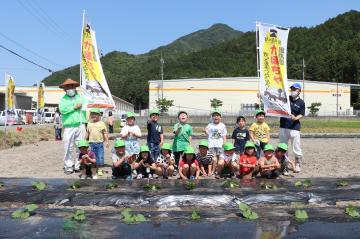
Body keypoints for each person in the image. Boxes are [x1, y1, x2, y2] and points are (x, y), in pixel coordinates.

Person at [59, 78, 87, 175]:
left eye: (72, 86)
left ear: (75, 87)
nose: (70, 88)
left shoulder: (81, 97)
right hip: (69, 126)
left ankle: (78, 164)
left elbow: (86, 106)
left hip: (80, 124)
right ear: (65, 89)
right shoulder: (63, 99)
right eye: (68, 87)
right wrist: (73, 108)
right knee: (68, 146)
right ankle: (68, 166)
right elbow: (62, 110)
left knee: (81, 146)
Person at [279, 83, 305, 172]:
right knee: (283, 146)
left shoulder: (301, 102)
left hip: (294, 127)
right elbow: (274, 101)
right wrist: (262, 95)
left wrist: (295, 118)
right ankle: (284, 164)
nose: (293, 91)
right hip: (283, 126)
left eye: (295, 89)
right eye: (292, 89)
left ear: (299, 91)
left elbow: (301, 114)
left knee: (296, 146)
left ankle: (298, 163)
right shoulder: (286, 98)